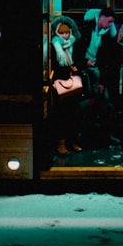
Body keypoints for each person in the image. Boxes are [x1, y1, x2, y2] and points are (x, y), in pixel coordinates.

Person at [49, 15, 83, 156]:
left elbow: (79, 60)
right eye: (62, 32)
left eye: (67, 32)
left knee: (73, 114)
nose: (65, 35)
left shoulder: (74, 45)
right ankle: (61, 143)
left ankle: (72, 141)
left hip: (72, 82)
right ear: (56, 33)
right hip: (59, 84)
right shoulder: (53, 46)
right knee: (60, 115)